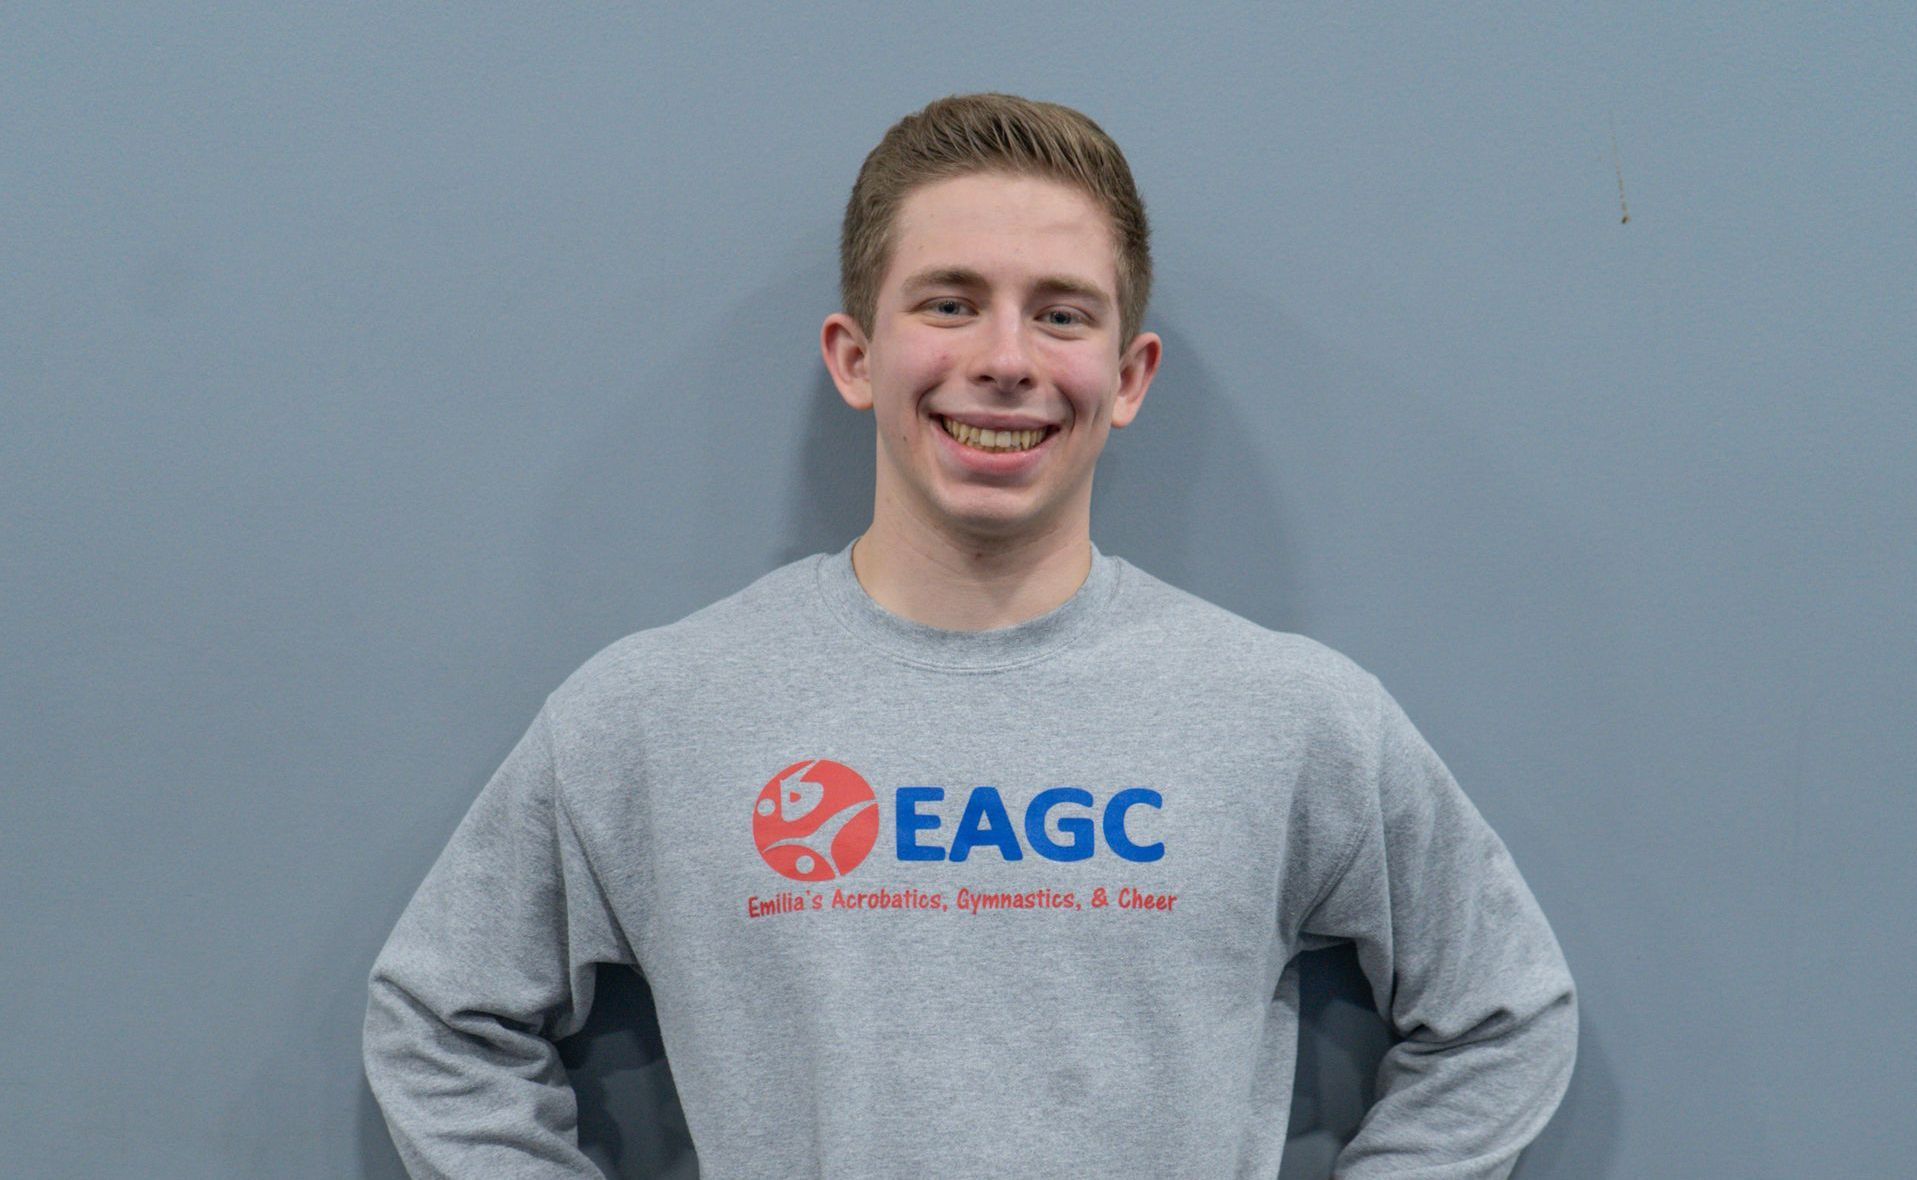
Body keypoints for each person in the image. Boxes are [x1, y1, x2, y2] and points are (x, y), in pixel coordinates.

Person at [364, 92, 1577, 1179]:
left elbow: (1504, 1012)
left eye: (1061, 315)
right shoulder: (654, 712)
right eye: (950, 304)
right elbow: (438, 1021)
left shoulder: (1291, 713)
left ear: (1130, 374)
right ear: (857, 355)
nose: (1004, 361)